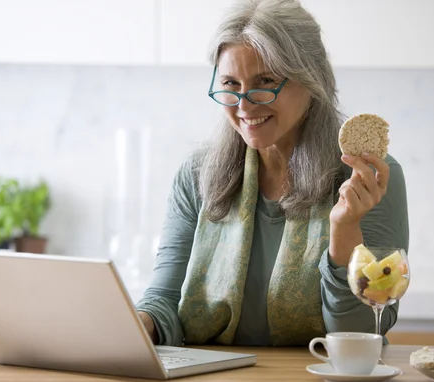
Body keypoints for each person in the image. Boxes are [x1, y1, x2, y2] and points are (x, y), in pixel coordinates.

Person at [135, 0, 409, 347]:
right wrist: (134, 325)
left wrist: (345, 228)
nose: (245, 104)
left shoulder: (366, 178)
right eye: (231, 84)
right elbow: (165, 299)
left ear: (311, 79)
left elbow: (361, 332)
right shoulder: (196, 175)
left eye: (264, 81)